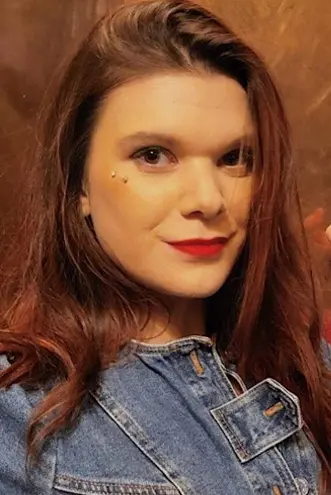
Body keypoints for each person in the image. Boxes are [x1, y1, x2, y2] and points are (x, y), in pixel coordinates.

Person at [0, 0, 331, 493]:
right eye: (153, 155)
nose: (207, 199)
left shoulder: (304, 362)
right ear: (78, 185)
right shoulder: (21, 410)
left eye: (234, 157)